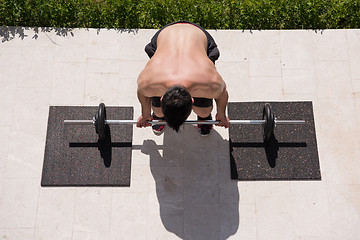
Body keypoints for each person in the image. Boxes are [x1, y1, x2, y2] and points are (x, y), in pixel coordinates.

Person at [136, 21, 230, 136]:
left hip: (197, 35)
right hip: (166, 36)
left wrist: (221, 114)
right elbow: (142, 92)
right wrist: (146, 114)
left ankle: (204, 117)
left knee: (204, 111)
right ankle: (158, 115)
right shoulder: (147, 82)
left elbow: (222, 94)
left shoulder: (210, 82)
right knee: (158, 111)